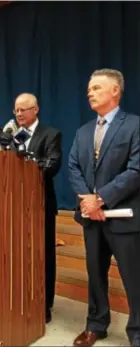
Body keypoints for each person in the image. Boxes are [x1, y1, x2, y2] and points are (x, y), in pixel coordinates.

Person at [68, 69, 140, 347]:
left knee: (133, 277)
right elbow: (74, 167)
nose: (90, 92)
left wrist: (101, 198)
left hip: (123, 217)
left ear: (115, 91)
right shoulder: (83, 131)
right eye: (89, 89)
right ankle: (96, 325)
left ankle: (136, 331)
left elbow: (136, 170)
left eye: (97, 88)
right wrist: (88, 200)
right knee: (95, 274)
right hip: (91, 218)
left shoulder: (134, 125)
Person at [13, 93, 62, 323]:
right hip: (13, 205)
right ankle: (20, 298)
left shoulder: (50, 134)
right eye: (16, 110)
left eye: (23, 109)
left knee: (44, 256)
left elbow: (51, 166)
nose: (19, 113)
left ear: (36, 110)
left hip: (40, 205)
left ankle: (45, 304)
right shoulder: (11, 135)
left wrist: (27, 160)